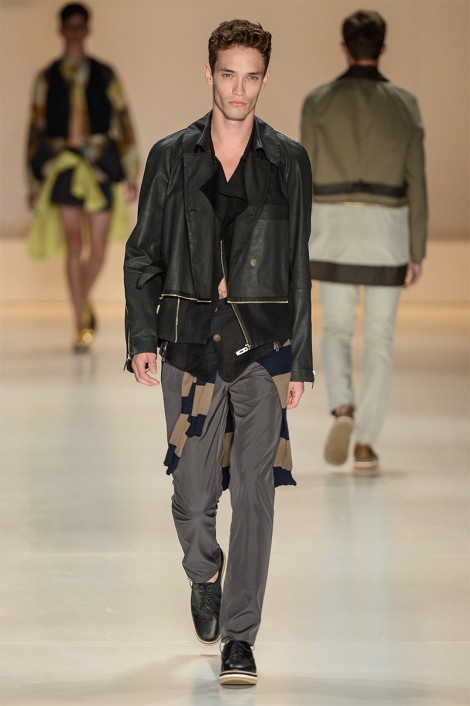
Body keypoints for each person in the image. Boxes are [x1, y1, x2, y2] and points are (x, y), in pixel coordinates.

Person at [124, 19, 313, 687]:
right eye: (228, 74)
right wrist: (141, 338)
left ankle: (240, 638)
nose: (239, 88)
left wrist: (300, 360)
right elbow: (143, 254)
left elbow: (297, 263)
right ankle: (204, 571)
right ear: (209, 74)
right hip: (189, 343)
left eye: (251, 76)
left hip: (263, 345)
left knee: (255, 495)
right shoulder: (171, 157)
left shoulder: (287, 159)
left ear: (265, 78)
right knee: (192, 492)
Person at [301, 9, 427, 474]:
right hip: (387, 229)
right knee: (380, 337)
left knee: (335, 329)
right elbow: (416, 178)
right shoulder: (405, 105)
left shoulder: (317, 103)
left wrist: (300, 239)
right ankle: (366, 444)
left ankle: (343, 407)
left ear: (344, 48)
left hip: (331, 226)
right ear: (383, 48)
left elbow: (304, 173)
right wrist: (417, 246)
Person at [26, 2, 138, 352]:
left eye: (79, 26)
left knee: (99, 249)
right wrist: (33, 180)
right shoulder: (47, 77)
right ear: (61, 29)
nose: (74, 33)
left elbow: (123, 120)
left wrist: (131, 171)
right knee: (74, 244)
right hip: (62, 165)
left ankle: (81, 299)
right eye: (69, 27)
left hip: (101, 163)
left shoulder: (105, 74)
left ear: (87, 29)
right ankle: (79, 321)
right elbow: (36, 127)